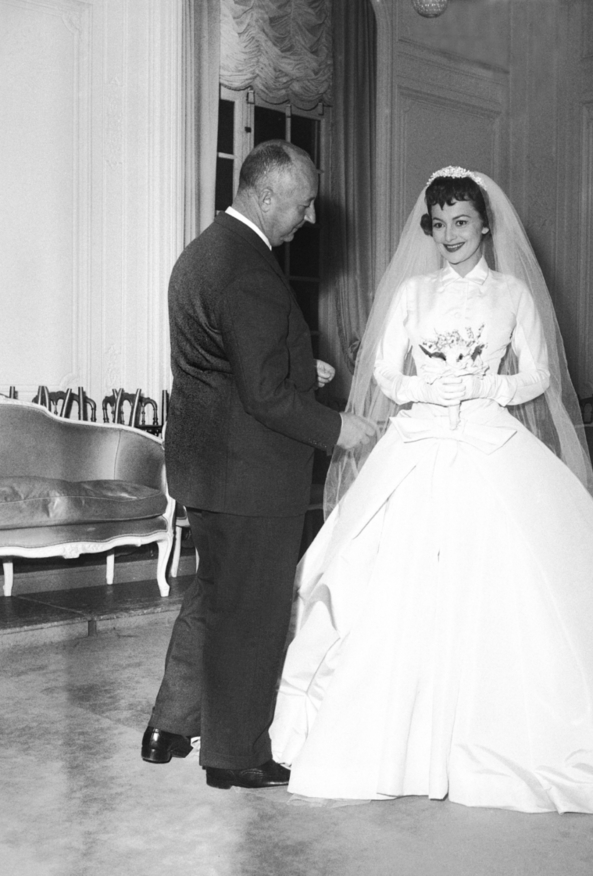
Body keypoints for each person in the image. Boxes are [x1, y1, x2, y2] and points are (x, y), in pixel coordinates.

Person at [267, 167, 593, 814]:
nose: (450, 235)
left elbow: (538, 375)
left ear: (485, 224)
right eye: (439, 225)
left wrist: (488, 388)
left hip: (490, 439)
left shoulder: (510, 295)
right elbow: (383, 367)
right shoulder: (411, 292)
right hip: (420, 438)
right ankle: (386, 733)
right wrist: (419, 389)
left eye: (462, 221)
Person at [141, 140, 375, 790]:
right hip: (248, 475)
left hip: (204, 468)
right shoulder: (249, 270)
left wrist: (304, 366)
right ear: (265, 196)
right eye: (301, 205)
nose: (309, 219)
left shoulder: (204, 253)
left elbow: (228, 362)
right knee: (254, 615)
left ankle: (169, 725)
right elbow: (265, 395)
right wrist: (338, 427)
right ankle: (234, 755)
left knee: (213, 596)